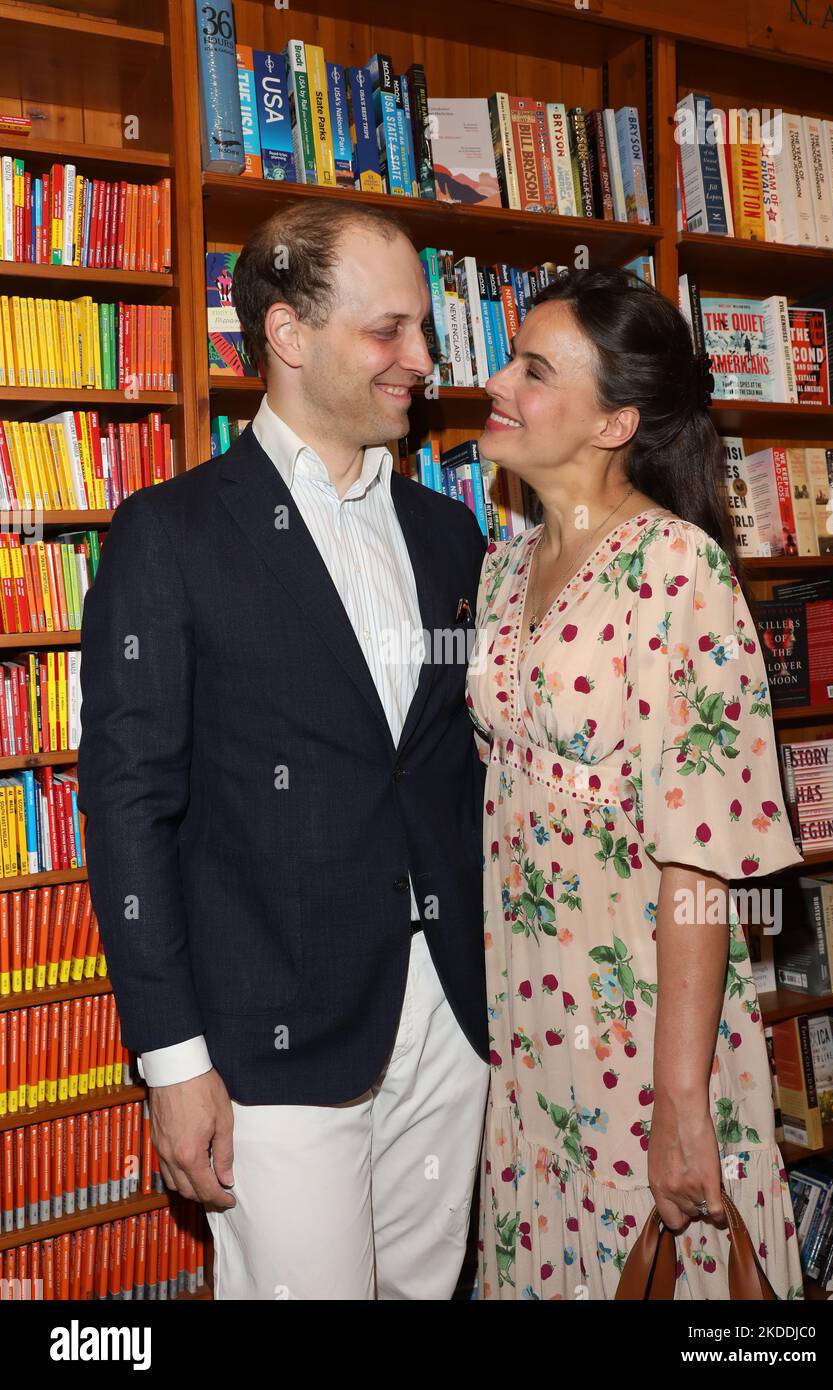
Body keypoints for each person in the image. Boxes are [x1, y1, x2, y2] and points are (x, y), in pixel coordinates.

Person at [77, 200, 490, 1300]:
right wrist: (173, 1063)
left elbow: (451, 773)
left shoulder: (452, 534)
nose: (421, 358)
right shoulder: (167, 534)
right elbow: (127, 810)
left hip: (447, 1023)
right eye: (387, 331)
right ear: (288, 335)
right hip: (269, 1043)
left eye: (421, 330)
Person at [465, 266, 806, 1300]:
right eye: (508, 357)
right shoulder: (500, 565)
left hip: (641, 1033)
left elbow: (700, 855)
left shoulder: (676, 572)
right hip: (526, 1027)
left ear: (615, 421)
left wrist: (681, 1100)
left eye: (532, 368)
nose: (495, 379)